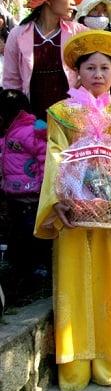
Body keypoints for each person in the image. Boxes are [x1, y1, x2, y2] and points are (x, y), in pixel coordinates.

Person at [34, 30, 111, 391]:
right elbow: (56, 155)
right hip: (74, 215)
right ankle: (75, 365)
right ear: (77, 73)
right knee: (74, 281)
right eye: (90, 68)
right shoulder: (61, 113)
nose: (98, 74)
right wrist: (61, 200)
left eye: (105, 68)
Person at [3, 0, 88, 121]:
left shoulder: (79, 33)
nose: (72, 2)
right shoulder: (18, 35)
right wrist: (19, 120)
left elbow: (99, 61)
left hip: (71, 118)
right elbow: (11, 83)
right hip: (32, 119)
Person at [0, 89, 50, 290]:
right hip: (14, 196)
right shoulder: (9, 132)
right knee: (18, 235)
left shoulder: (30, 131)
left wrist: (44, 186)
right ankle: (21, 271)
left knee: (33, 236)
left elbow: (45, 159)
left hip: (32, 197)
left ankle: (38, 272)